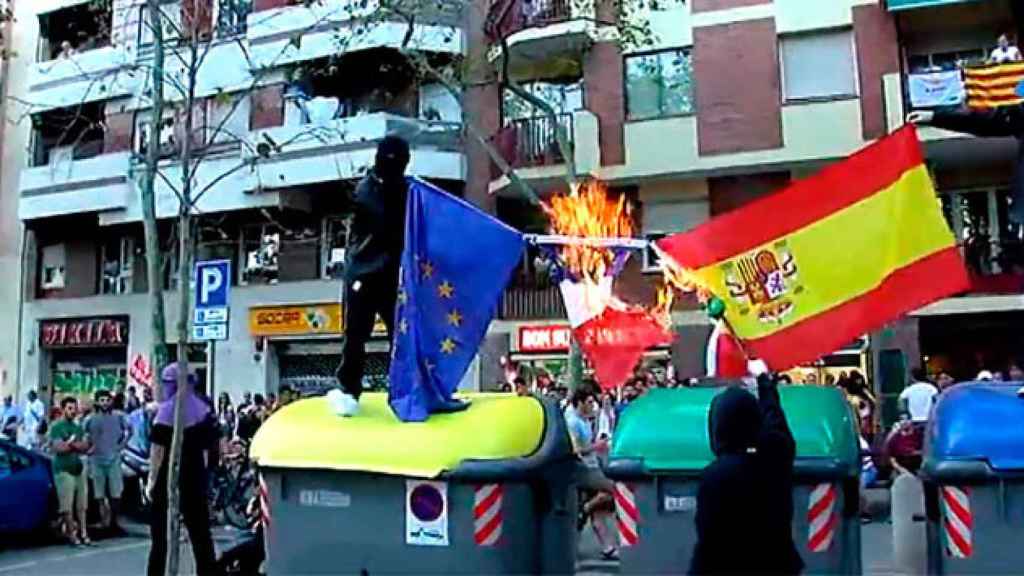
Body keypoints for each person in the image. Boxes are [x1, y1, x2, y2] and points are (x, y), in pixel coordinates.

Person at [690, 363, 803, 575]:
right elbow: (776, 424)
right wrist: (764, 381)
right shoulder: (774, 461)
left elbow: (708, 541)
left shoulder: (714, 477)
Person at [335, 137, 412, 416]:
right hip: (364, 273)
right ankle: (348, 390)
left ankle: (404, 388)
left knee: (400, 337)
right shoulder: (366, 191)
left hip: (392, 274)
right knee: (355, 334)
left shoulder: (405, 189)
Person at [147, 365, 219, 576]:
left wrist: (152, 479)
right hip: (195, 476)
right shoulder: (203, 410)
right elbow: (210, 450)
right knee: (201, 535)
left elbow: (158, 451)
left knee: (160, 535)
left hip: (169, 476)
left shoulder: (167, 410)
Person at [565, 388, 617, 561]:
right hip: (585, 469)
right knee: (614, 489)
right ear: (579, 403)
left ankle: (607, 547)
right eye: (588, 402)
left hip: (593, 465)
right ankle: (585, 508)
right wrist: (597, 446)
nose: (591, 406)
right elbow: (576, 450)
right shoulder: (573, 422)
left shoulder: (585, 421)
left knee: (599, 512)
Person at [84, 389, 131, 534]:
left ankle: (114, 522)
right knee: (99, 494)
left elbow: (130, 430)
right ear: (97, 402)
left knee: (115, 492)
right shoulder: (90, 419)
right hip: (97, 459)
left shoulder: (119, 417)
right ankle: (104, 521)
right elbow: (83, 434)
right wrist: (89, 447)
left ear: (111, 401)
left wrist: (122, 445)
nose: (104, 403)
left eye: (107, 400)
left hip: (114, 458)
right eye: (102, 400)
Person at [49, 397, 92, 547]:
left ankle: (84, 532)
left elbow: (85, 446)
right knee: (67, 505)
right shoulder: (56, 427)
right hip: (63, 469)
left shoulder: (77, 427)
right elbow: (59, 448)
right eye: (69, 408)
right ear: (63, 409)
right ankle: (72, 535)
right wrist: (74, 445)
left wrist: (70, 444)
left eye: (74, 408)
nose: (73, 411)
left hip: (78, 468)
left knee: (82, 504)